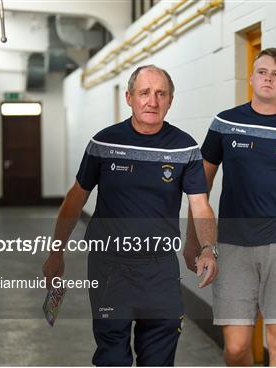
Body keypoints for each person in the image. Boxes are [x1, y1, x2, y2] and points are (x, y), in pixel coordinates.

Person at [43, 65, 218, 366]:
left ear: (170, 100)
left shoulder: (185, 148)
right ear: (129, 97)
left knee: (159, 356)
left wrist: (208, 248)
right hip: (110, 267)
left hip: (160, 269)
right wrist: (56, 253)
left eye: (161, 94)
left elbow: (201, 205)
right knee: (112, 356)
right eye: (145, 93)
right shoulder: (104, 143)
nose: (153, 101)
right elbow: (75, 199)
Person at [185, 48, 276, 366]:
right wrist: (192, 237)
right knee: (236, 348)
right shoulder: (225, 123)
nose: (268, 79)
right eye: (262, 72)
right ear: (251, 78)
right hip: (233, 245)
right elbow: (199, 187)